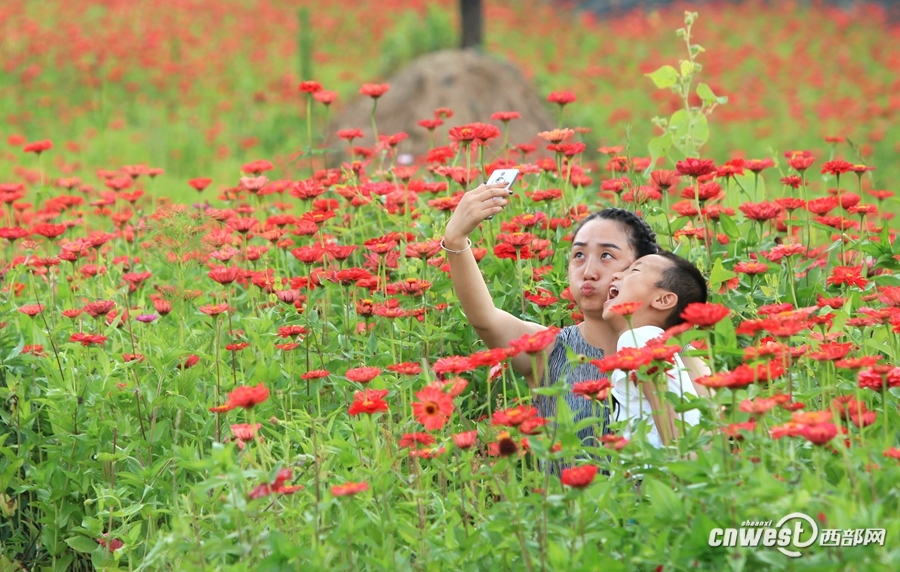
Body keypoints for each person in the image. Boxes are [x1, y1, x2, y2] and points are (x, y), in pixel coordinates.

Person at [441, 183, 711, 447]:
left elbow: (707, 442)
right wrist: (455, 239)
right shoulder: (549, 349)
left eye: (606, 255)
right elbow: (485, 320)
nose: (588, 271)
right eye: (578, 255)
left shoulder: (677, 354)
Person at [602, 251, 707, 448]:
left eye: (634, 270)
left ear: (663, 300)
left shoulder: (639, 338)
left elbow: (675, 433)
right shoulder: (653, 342)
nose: (616, 275)